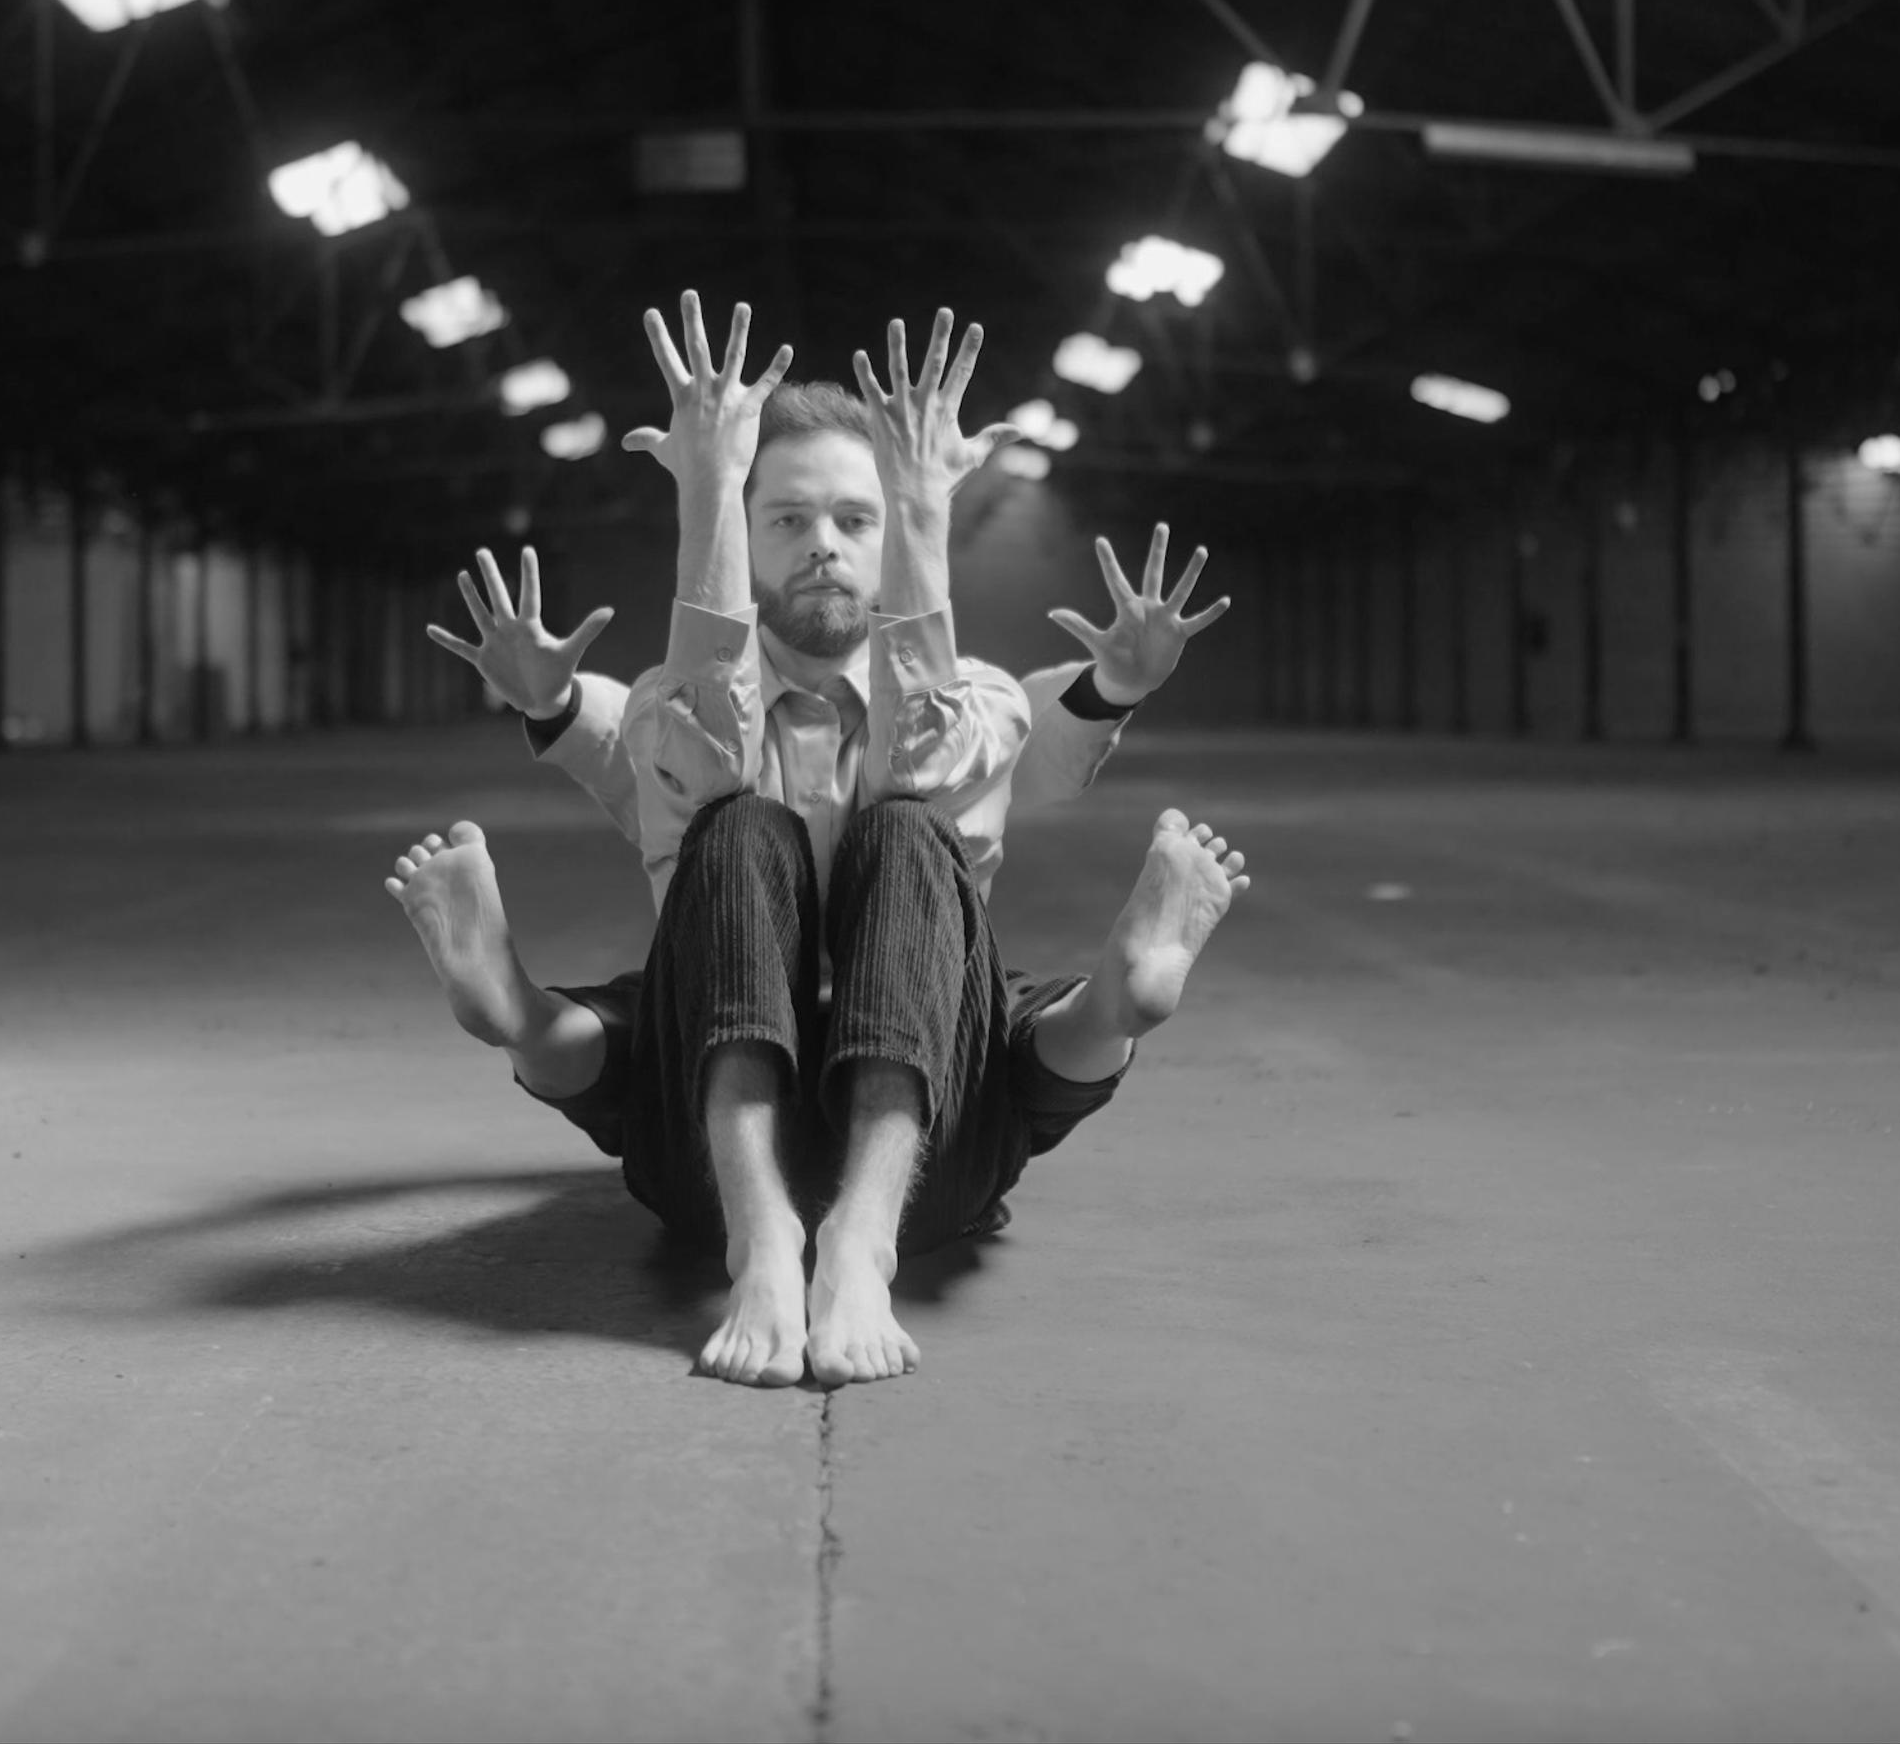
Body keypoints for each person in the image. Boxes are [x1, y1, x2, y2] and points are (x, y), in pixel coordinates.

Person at [383, 296, 1250, 1389]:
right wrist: (707, 491)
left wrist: (930, 512)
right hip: (715, 1149)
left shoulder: (979, 707)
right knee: (734, 830)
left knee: (909, 839)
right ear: (745, 545)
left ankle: (929, 1169)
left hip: (925, 1139)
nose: (825, 549)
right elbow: (686, 740)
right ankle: (586, 1074)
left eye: (856, 519)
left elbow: (927, 763)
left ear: (893, 541)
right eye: (785, 521)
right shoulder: (667, 716)